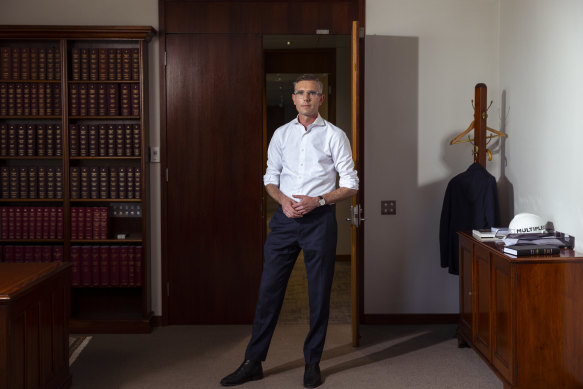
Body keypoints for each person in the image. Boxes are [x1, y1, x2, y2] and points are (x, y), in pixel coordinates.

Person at [220, 74, 359, 388]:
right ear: (294, 98)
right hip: (283, 223)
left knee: (318, 294)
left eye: (312, 93)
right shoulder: (281, 134)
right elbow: (269, 177)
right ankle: (252, 362)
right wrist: (282, 200)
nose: (306, 98)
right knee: (269, 292)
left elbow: (351, 185)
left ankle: (312, 363)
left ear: (321, 99)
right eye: (301, 93)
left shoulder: (335, 135)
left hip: (319, 221)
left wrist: (319, 200)